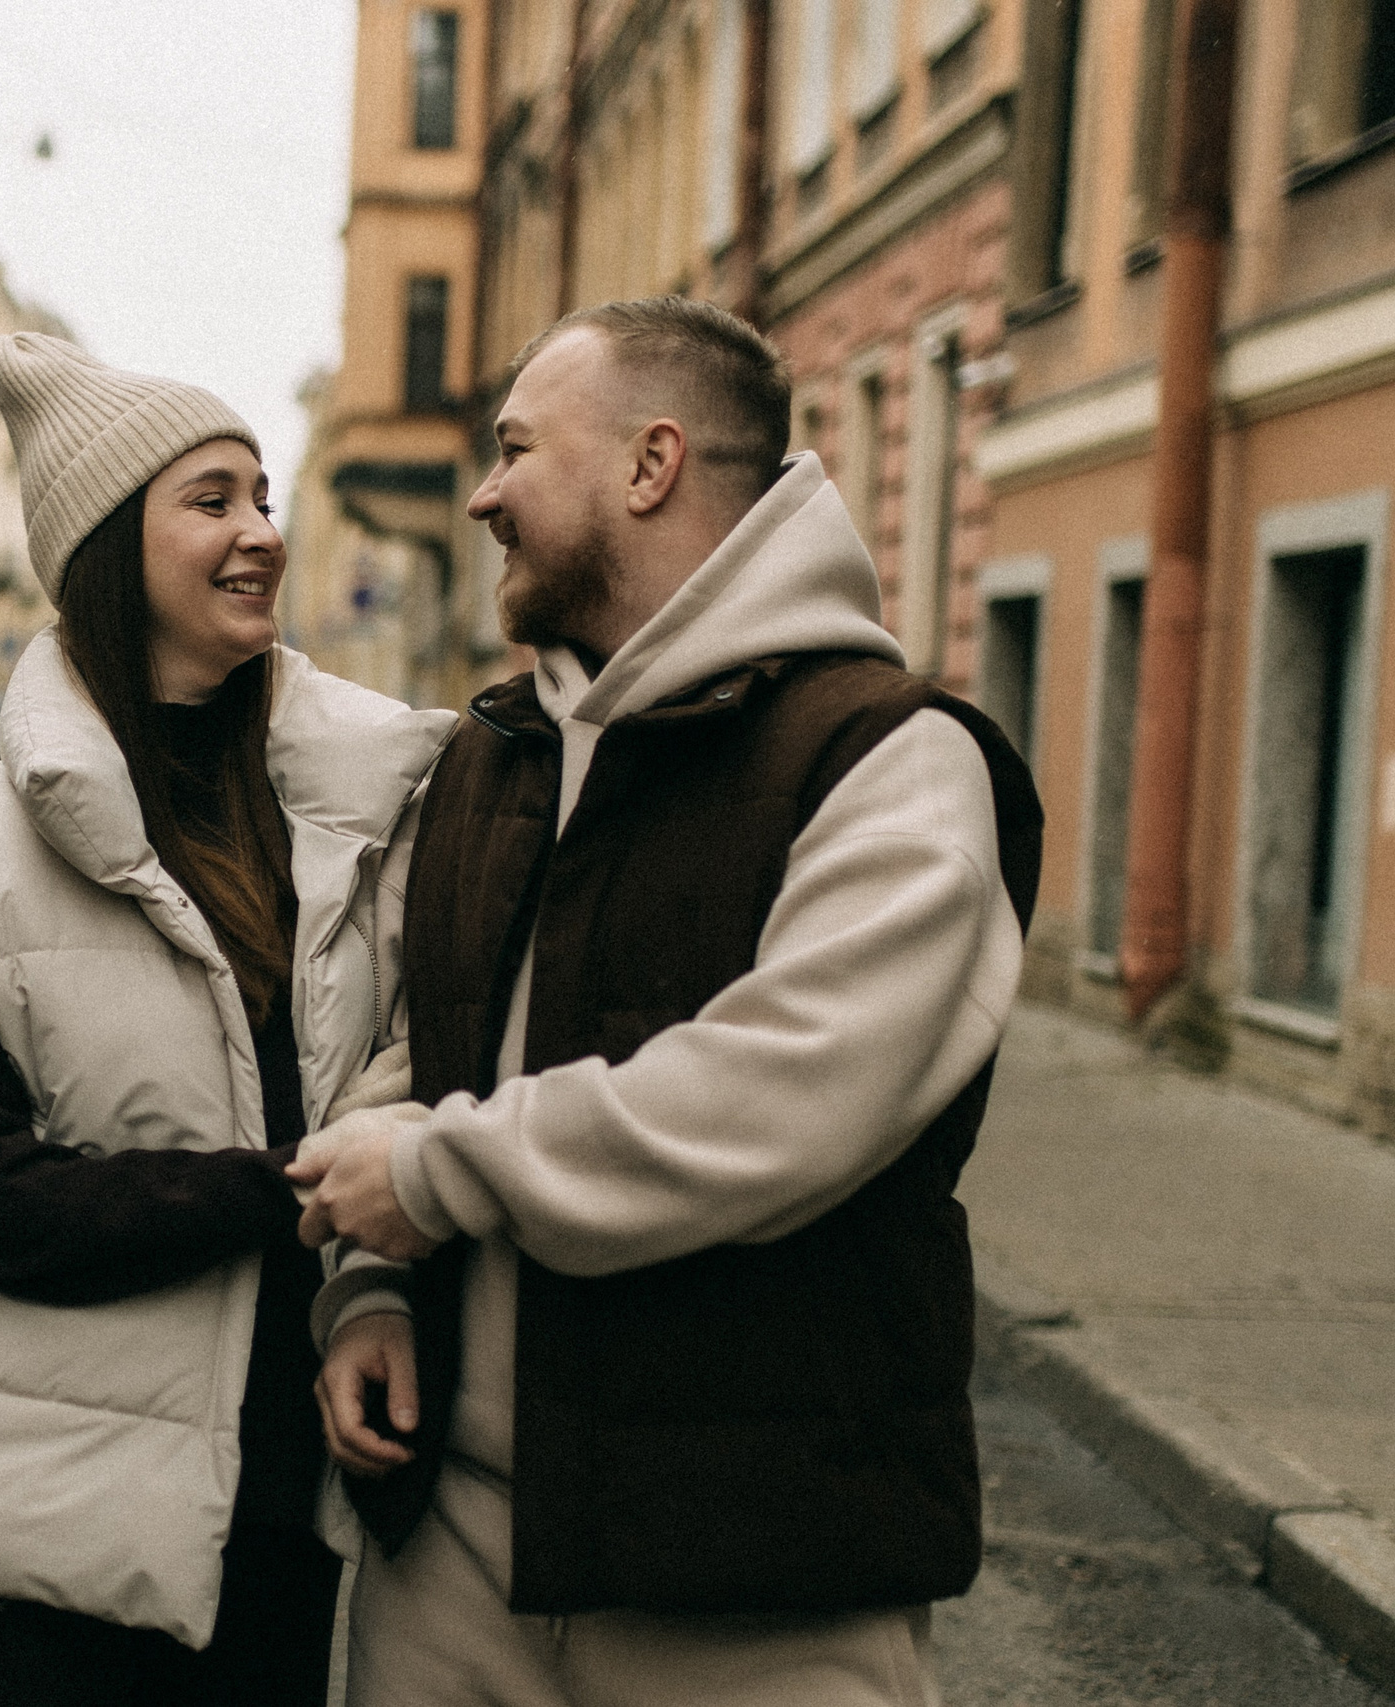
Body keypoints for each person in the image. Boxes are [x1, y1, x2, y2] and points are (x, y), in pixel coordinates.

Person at [287, 296, 1043, 1706]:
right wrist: (372, 1286)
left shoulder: (891, 761)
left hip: (755, 1591)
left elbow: (781, 1102)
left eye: (515, 451)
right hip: (450, 1569)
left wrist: (436, 1178)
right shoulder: (495, 756)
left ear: (650, 465)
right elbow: (417, 1052)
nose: (481, 494)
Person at [0, 332, 455, 1706]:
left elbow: (403, 1075)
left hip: (265, 1512)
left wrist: (371, 1280)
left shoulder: (354, 829)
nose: (262, 536)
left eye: (264, 498)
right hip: (8, 1537)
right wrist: (294, 1192)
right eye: (210, 501)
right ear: (112, 546)